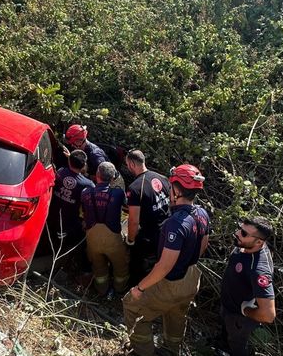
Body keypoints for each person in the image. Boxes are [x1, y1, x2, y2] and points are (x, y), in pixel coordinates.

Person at [123, 164, 211, 356]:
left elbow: (164, 266)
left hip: (172, 281)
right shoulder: (202, 214)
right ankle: (172, 349)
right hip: (191, 278)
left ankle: (144, 352)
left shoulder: (175, 224)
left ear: (177, 190)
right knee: (176, 314)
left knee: (131, 306)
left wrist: (139, 289)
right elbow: (203, 246)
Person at [218, 217, 276, 356]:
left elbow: (269, 315)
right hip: (228, 307)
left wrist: (246, 311)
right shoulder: (245, 245)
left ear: (259, 242)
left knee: (237, 346)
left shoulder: (259, 269)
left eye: (244, 233)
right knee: (226, 336)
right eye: (240, 228)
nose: (237, 233)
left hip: (239, 319)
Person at [80, 162, 129, 295]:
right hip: (113, 238)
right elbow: (127, 210)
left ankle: (101, 290)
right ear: (113, 178)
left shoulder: (85, 193)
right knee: (121, 268)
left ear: (97, 175)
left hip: (92, 239)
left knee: (98, 268)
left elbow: (83, 213)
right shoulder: (118, 193)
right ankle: (119, 289)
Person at [124, 149, 171, 283]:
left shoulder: (135, 188)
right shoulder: (162, 178)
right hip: (166, 231)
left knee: (140, 267)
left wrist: (130, 241)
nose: (128, 168)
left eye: (127, 165)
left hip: (149, 237)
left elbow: (133, 220)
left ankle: (136, 291)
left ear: (132, 164)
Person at [45, 149, 94, 257]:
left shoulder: (60, 172)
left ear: (69, 161)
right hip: (69, 221)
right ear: (84, 165)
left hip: (50, 215)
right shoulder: (87, 184)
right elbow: (90, 206)